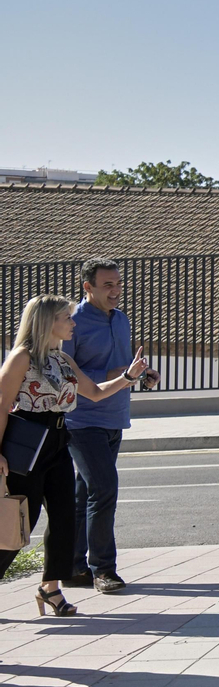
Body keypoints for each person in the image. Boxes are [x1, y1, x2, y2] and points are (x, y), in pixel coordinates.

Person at [1, 296, 148, 618]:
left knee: (65, 519)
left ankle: (50, 588)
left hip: (58, 441)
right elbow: (1, 405)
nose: (73, 323)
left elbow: (94, 392)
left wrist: (128, 377)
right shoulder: (22, 357)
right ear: (47, 322)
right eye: (66, 317)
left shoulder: (63, 359)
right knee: (19, 521)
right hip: (27, 444)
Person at [62, 258, 157, 593]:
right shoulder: (72, 322)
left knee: (86, 494)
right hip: (82, 421)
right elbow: (67, 373)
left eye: (118, 284)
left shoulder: (121, 319)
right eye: (108, 285)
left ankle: (72, 567)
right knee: (104, 489)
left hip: (115, 417)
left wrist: (142, 375)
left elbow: (121, 366)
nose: (116, 291)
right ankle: (103, 570)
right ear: (87, 287)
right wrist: (119, 374)